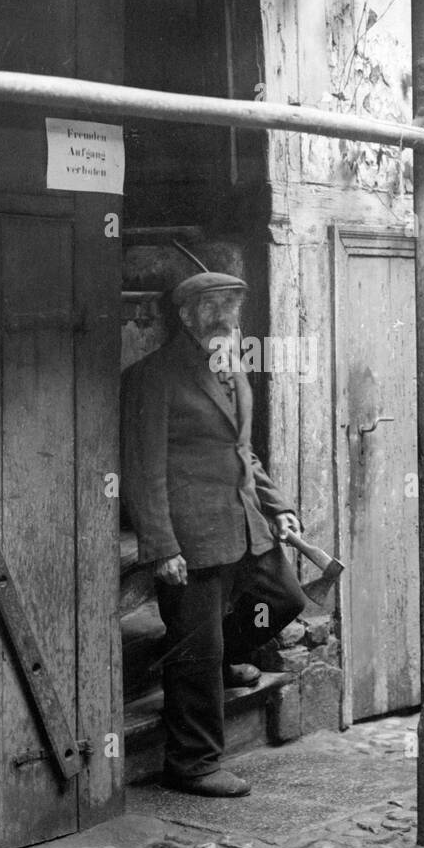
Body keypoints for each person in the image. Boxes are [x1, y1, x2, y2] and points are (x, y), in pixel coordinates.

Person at [120, 271, 304, 797]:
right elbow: (142, 469)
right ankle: (194, 763)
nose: (226, 316)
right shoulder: (151, 378)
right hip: (189, 536)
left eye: (232, 305)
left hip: (244, 520)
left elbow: (242, 450)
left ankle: (225, 657)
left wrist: (277, 506)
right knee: (194, 648)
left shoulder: (231, 365)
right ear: (185, 315)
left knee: (285, 599)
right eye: (213, 306)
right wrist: (162, 547)